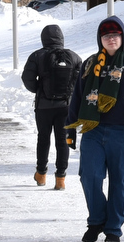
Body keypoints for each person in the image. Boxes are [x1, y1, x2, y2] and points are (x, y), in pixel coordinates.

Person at [64, 15, 124, 242]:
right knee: (90, 177)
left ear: (122, 36)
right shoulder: (91, 64)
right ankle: (96, 221)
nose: (111, 39)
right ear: (100, 39)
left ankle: (113, 228)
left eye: (115, 35)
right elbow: (77, 97)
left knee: (120, 180)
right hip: (93, 130)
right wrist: (70, 129)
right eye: (106, 35)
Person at [20, 23, 82, 188]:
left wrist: (39, 89)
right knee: (62, 141)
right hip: (65, 107)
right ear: (61, 38)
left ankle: (41, 174)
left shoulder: (37, 56)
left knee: (43, 139)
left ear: (43, 39)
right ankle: (60, 178)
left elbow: (27, 79)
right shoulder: (74, 57)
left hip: (44, 107)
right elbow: (81, 82)